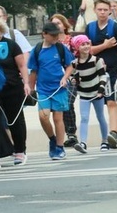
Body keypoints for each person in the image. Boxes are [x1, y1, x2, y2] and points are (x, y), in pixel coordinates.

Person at [85, 0, 117, 149]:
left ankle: (112, 133)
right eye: (100, 9)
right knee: (110, 103)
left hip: (115, 70)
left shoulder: (116, 28)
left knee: (112, 102)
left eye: (105, 10)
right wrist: (104, 45)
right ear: (95, 10)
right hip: (98, 72)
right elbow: (88, 50)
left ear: (110, 11)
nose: (103, 12)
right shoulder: (90, 28)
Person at [0, 18, 30, 166]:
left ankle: (20, 151)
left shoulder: (11, 45)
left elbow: (22, 65)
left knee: (15, 120)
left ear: (2, 32)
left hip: (12, 86)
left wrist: (26, 83)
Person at [28, 22, 74, 160]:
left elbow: (70, 66)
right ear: (44, 34)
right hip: (43, 89)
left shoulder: (60, 48)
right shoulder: (37, 50)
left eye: (57, 35)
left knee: (58, 118)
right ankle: (52, 139)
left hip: (59, 88)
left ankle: (59, 147)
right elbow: (33, 71)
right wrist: (30, 88)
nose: (56, 38)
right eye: (53, 35)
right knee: (43, 116)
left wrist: (65, 78)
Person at [62, 35, 108, 153]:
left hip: (97, 93)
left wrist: (101, 89)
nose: (86, 46)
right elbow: (74, 76)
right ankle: (83, 143)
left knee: (100, 117)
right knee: (84, 118)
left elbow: (103, 75)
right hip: (84, 94)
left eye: (87, 43)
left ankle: (104, 141)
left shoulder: (97, 60)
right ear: (77, 47)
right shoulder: (75, 63)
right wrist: (73, 80)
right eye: (82, 44)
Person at [50, 13, 79, 149]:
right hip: (54, 78)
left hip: (72, 77)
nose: (56, 26)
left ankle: (71, 133)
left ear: (64, 25)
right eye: (53, 24)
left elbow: (79, 57)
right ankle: (64, 134)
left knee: (67, 102)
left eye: (58, 23)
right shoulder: (49, 43)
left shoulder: (71, 41)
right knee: (58, 107)